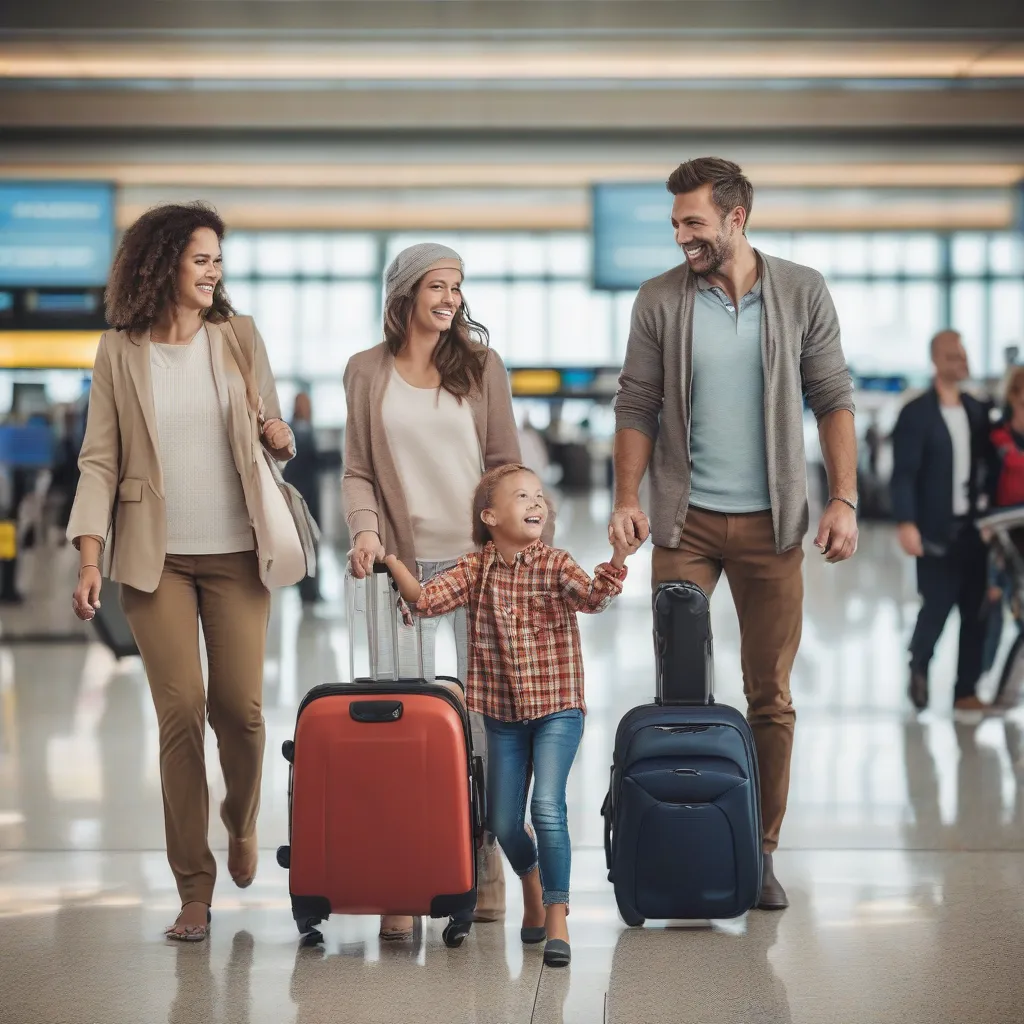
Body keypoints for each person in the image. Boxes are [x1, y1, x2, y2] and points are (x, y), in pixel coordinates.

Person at [610, 157, 858, 912]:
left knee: (770, 695)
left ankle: (759, 850)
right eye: (676, 223)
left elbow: (832, 396)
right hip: (684, 525)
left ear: (736, 218)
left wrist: (843, 497)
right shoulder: (660, 299)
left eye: (694, 222)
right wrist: (627, 496)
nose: (683, 235)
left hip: (774, 527)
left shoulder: (801, 290)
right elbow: (637, 403)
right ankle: (681, 839)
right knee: (679, 684)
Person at [68, 202, 295, 942]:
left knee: (242, 713)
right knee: (180, 714)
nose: (213, 273)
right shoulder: (119, 351)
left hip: (237, 552)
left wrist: (277, 433)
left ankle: (241, 819)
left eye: (218, 261)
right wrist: (90, 554)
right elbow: (100, 458)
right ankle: (192, 886)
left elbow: (266, 428)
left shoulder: (238, 337)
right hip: (151, 558)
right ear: (162, 263)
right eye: (201, 260)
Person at [342, 242, 550, 942]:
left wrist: (514, 545)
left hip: (477, 567)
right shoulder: (365, 372)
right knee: (398, 724)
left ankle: (483, 861)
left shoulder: (483, 369)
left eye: (457, 287)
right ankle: (405, 872)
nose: (450, 298)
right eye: (437, 285)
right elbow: (358, 472)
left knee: (487, 722)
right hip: (398, 567)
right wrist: (367, 533)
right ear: (404, 294)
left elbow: (505, 464)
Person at [385, 463, 635, 968]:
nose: (536, 503)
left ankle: (557, 913)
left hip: (556, 708)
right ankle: (531, 879)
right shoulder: (475, 569)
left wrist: (619, 557)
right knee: (501, 822)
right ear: (490, 516)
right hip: (501, 714)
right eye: (522, 496)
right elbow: (427, 600)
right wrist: (391, 560)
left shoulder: (556, 564)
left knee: (546, 806)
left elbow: (594, 598)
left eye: (539, 496)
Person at [891, 330, 993, 713]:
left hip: (975, 531)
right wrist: (906, 522)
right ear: (935, 360)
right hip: (934, 531)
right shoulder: (916, 414)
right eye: (952, 356)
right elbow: (903, 474)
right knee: (936, 607)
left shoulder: (977, 410)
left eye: (963, 355)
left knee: (976, 611)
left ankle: (965, 690)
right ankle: (919, 664)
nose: (961, 362)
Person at [283, 391, 333, 604]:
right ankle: (308, 592)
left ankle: (310, 590)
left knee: (309, 544)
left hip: (309, 495)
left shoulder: (303, 429)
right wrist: (335, 458)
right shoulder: (294, 431)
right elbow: (306, 461)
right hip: (300, 496)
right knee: (306, 545)